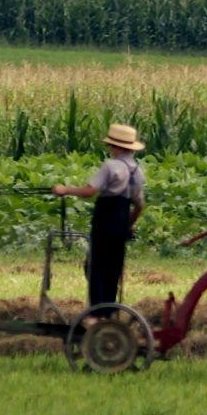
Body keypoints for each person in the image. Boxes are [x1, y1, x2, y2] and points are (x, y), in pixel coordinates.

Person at [52, 122, 146, 307]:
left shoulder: (110, 167)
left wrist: (65, 190)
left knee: (96, 266)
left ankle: (95, 313)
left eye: (111, 145)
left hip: (105, 219)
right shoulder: (137, 171)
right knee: (113, 268)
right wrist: (128, 224)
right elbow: (140, 205)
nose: (110, 149)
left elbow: (89, 191)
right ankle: (108, 309)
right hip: (121, 221)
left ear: (117, 146)